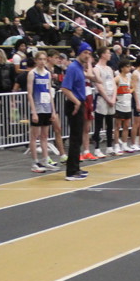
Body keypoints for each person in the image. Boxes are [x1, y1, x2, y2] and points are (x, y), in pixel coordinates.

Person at [60, 42, 93, 181]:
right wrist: (77, 102)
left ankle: (76, 167)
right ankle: (71, 171)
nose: (87, 56)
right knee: (75, 138)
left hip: (80, 103)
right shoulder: (73, 68)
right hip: (74, 104)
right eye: (85, 53)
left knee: (78, 137)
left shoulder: (80, 67)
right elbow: (65, 88)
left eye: (89, 53)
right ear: (79, 52)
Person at [26, 50, 60, 174]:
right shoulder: (32, 74)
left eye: (44, 59)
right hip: (37, 107)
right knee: (34, 136)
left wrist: (53, 110)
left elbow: (49, 92)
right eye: (40, 59)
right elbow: (30, 94)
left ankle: (45, 159)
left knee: (45, 136)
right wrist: (34, 111)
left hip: (46, 107)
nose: (42, 62)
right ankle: (35, 162)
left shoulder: (47, 74)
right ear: (36, 60)